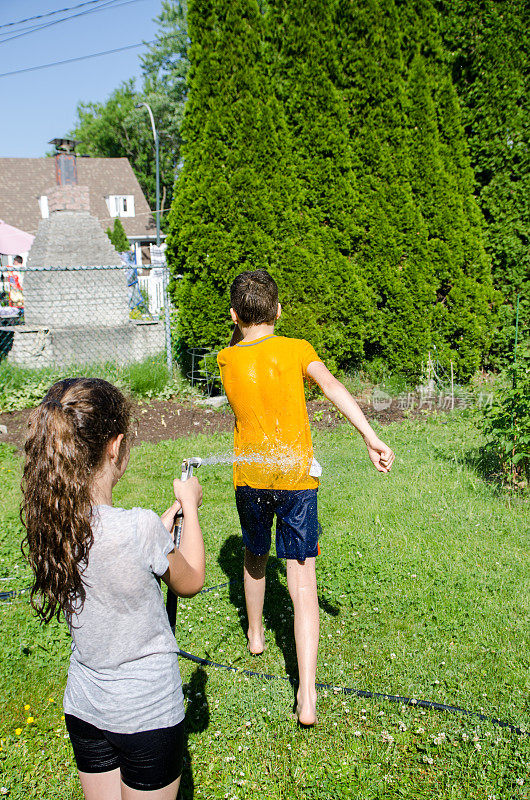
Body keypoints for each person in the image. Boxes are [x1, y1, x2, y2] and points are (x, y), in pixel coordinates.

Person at [217, 270, 395, 727]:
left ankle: (256, 634)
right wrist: (370, 437)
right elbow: (332, 386)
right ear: (278, 311)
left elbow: (247, 365)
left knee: (255, 556)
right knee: (303, 583)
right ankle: (308, 695)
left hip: (251, 480)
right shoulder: (297, 350)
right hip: (296, 482)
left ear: (234, 316)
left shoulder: (225, 359)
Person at [22, 377, 205, 800]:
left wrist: (160, 530)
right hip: (146, 715)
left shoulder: (54, 524)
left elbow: (111, 554)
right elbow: (191, 578)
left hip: (85, 708)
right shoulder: (137, 527)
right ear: (114, 446)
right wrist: (190, 509)